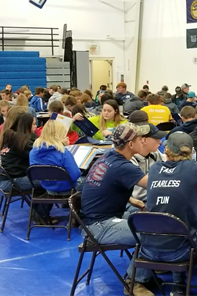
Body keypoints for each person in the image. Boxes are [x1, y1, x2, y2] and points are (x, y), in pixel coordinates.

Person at [129, 131, 197, 296]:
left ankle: (178, 286)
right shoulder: (195, 168)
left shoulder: (155, 168)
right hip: (183, 249)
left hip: (148, 249)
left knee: (173, 220)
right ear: (191, 151)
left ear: (166, 150)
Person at [79, 123, 152, 296]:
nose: (143, 142)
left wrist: (132, 199)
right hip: (100, 226)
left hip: (93, 220)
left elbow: (107, 186)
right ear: (131, 144)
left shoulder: (107, 157)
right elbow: (155, 185)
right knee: (152, 232)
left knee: (147, 216)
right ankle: (135, 282)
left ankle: (150, 263)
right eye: (140, 139)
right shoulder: (123, 167)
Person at [0, 112, 51, 223]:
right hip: (13, 181)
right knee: (50, 181)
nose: (36, 126)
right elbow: (39, 156)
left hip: (7, 179)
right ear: (26, 126)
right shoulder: (21, 142)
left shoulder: (13, 136)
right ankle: (40, 217)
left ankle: (39, 214)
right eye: (33, 124)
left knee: (43, 180)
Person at [126, 111, 167, 207]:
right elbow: (138, 194)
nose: (160, 142)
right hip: (137, 203)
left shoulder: (154, 152)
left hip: (153, 196)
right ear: (144, 140)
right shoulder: (130, 160)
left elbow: (170, 161)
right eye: (156, 139)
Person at [29, 120, 81, 196]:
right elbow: (75, 175)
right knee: (89, 180)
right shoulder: (63, 152)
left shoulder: (33, 153)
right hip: (68, 188)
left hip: (48, 188)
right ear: (59, 135)